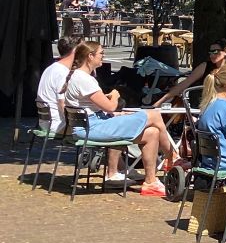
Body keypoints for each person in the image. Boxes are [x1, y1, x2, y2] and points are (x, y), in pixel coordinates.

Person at [58, 40, 176, 195]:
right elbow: (110, 107)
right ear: (90, 56)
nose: (103, 56)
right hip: (92, 127)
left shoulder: (78, 77)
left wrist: (108, 101)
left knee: (152, 132)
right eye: (101, 53)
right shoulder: (84, 79)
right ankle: (172, 157)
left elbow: (96, 104)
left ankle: (151, 181)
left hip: (92, 124)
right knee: (153, 115)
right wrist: (115, 94)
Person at [155, 38, 226, 107]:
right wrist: (160, 102)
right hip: (208, 105)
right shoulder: (205, 66)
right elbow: (185, 83)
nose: (211, 55)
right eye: (210, 52)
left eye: (215, 51)